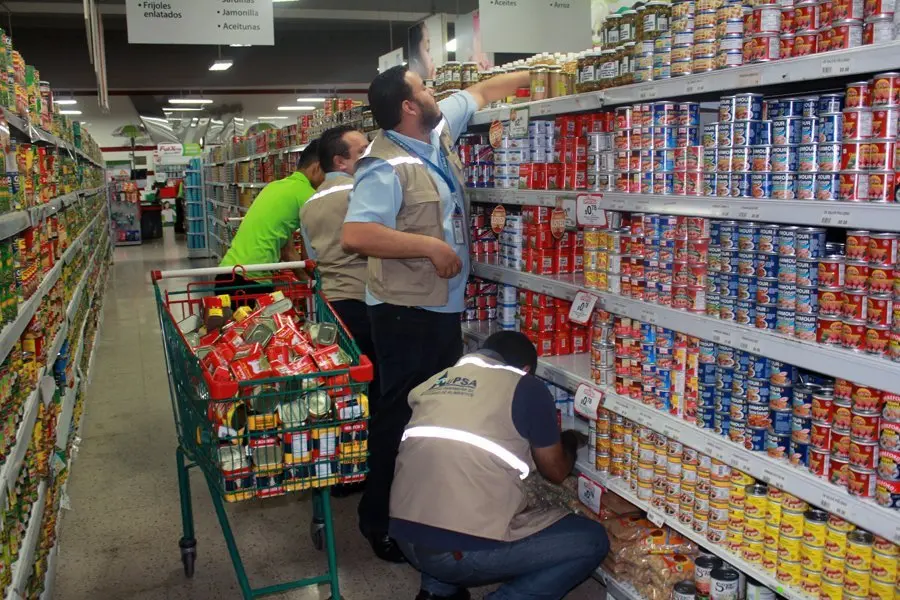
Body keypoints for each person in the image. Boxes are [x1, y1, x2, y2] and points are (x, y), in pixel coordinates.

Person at [341, 65, 531, 563]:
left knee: (432, 417)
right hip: (406, 312)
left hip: (441, 309)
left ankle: (423, 512)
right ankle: (378, 521)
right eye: (423, 88)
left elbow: (483, 91)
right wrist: (426, 245)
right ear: (408, 106)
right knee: (400, 416)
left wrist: (552, 71)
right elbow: (356, 235)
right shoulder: (383, 165)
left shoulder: (436, 129)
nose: (433, 93)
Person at [391, 331, 610, 600]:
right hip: (458, 551)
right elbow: (555, 471)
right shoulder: (525, 387)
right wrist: (569, 441)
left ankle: (437, 591)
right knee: (591, 540)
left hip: (405, 535)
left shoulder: (437, 381)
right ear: (526, 369)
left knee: (447, 485)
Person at [299, 125, 375, 496]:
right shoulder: (362, 192)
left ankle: (341, 469)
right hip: (366, 301)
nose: (370, 156)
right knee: (373, 388)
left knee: (342, 393)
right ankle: (369, 464)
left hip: (331, 305)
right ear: (340, 161)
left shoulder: (309, 204)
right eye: (362, 152)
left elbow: (312, 260)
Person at [215, 141, 323, 297]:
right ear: (317, 168)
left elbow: (288, 252)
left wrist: (307, 281)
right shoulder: (307, 195)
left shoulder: (274, 186)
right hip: (252, 278)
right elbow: (311, 253)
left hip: (226, 273)